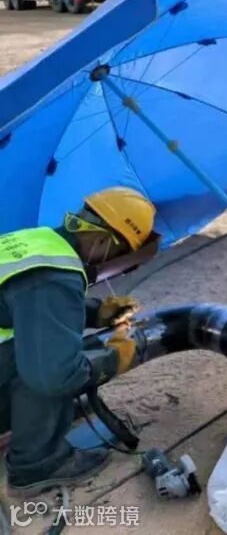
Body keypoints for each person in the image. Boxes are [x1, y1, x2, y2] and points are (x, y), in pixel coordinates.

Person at [0, 186, 155, 497]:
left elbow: (26, 301)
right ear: (103, 241)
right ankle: (36, 465)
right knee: (54, 365)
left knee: (51, 347)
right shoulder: (53, 277)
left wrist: (96, 313)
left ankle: (27, 421)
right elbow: (54, 374)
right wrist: (114, 358)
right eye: (121, 254)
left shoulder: (38, 241)